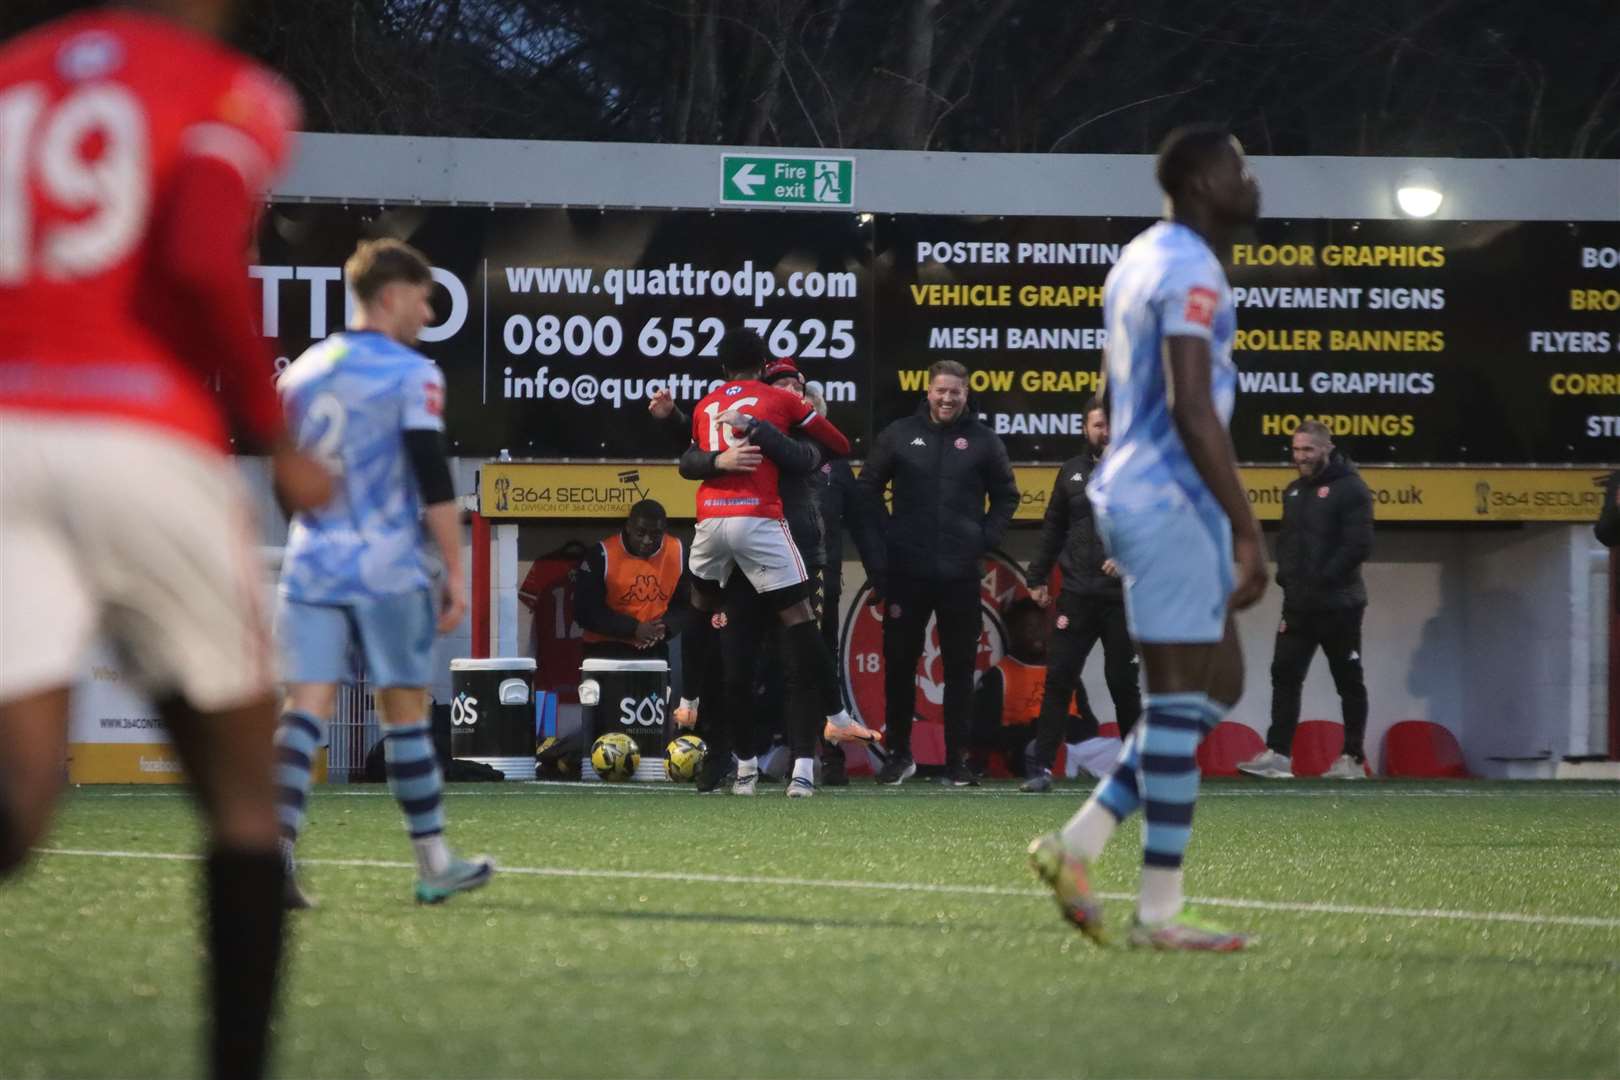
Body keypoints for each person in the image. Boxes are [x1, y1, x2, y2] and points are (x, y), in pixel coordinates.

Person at [0, 6, 331, 1077]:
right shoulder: (228, 89)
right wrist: (275, 432)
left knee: (18, 799)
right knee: (241, 804)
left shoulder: (15, 76)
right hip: (144, 440)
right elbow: (196, 250)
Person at [1026, 125, 1267, 951]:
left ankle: (1081, 843)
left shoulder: (1136, 257)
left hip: (1155, 496)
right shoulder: (1192, 266)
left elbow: (1116, 382)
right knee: (1175, 702)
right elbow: (1192, 401)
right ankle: (1158, 911)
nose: (1252, 178)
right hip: (1170, 499)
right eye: (1240, 166)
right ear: (1203, 180)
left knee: (1219, 681)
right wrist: (1248, 527)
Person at [273, 239, 493, 908]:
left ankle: (271, 858)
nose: (429, 312)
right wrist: (455, 569)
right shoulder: (411, 374)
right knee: (403, 711)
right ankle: (433, 863)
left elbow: (287, 478)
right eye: (424, 298)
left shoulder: (302, 372)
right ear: (391, 296)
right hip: (388, 564)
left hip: (311, 560)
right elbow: (432, 473)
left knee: (305, 708)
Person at [676, 329, 878, 797]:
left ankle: (691, 704)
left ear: (724, 367)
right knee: (779, 635)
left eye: (796, 384)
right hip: (759, 529)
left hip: (713, 526)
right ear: (765, 368)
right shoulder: (779, 403)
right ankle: (836, 717)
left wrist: (731, 447)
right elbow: (840, 443)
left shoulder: (709, 404)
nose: (789, 390)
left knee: (703, 611)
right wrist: (726, 455)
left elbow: (804, 455)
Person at [857, 359, 1020, 786]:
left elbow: (1007, 497)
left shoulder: (985, 442)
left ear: (966, 394)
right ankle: (899, 756)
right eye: (941, 391)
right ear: (927, 391)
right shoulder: (898, 435)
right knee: (899, 664)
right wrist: (888, 539)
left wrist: (983, 539)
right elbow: (866, 490)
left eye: (956, 392)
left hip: (961, 574)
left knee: (961, 667)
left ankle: (957, 762)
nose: (947, 398)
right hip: (906, 572)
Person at [1237, 421, 1373, 780]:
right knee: (1283, 674)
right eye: (1296, 450)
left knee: (1347, 679)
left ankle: (1353, 758)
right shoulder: (1294, 491)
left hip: (1340, 605)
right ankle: (1278, 756)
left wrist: (1321, 580)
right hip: (1298, 606)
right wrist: (1286, 577)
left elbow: (1358, 546)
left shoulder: (1351, 489)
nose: (1301, 457)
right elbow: (1288, 542)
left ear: (1327, 448)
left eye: (1308, 450)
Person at [1021, 397, 1142, 793]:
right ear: (1085, 429)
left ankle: (1138, 770)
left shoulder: (1138, 471)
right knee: (1059, 679)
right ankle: (1040, 767)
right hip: (1075, 595)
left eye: (1109, 425)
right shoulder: (1071, 473)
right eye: (1097, 426)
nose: (1103, 432)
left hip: (1122, 598)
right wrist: (1038, 575)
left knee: (1122, 681)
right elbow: (1054, 527)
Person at [969, 599, 1123, 780]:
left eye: (1041, 626)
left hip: (1073, 748)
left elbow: (1090, 727)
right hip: (1030, 749)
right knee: (1039, 749)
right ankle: (1073, 772)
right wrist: (1037, 729)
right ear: (1013, 631)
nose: (1037, 633)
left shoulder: (1064, 671)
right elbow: (983, 733)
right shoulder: (998, 676)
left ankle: (1081, 771)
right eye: (1029, 627)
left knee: (1121, 749)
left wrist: (1064, 726)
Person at [575, 499, 692, 662]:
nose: (647, 540)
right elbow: (584, 611)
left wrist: (663, 628)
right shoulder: (602, 555)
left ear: (664, 531)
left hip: (653, 647)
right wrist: (633, 628)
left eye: (655, 534)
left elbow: (685, 605)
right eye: (640, 533)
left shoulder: (678, 552)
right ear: (629, 527)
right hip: (605, 648)